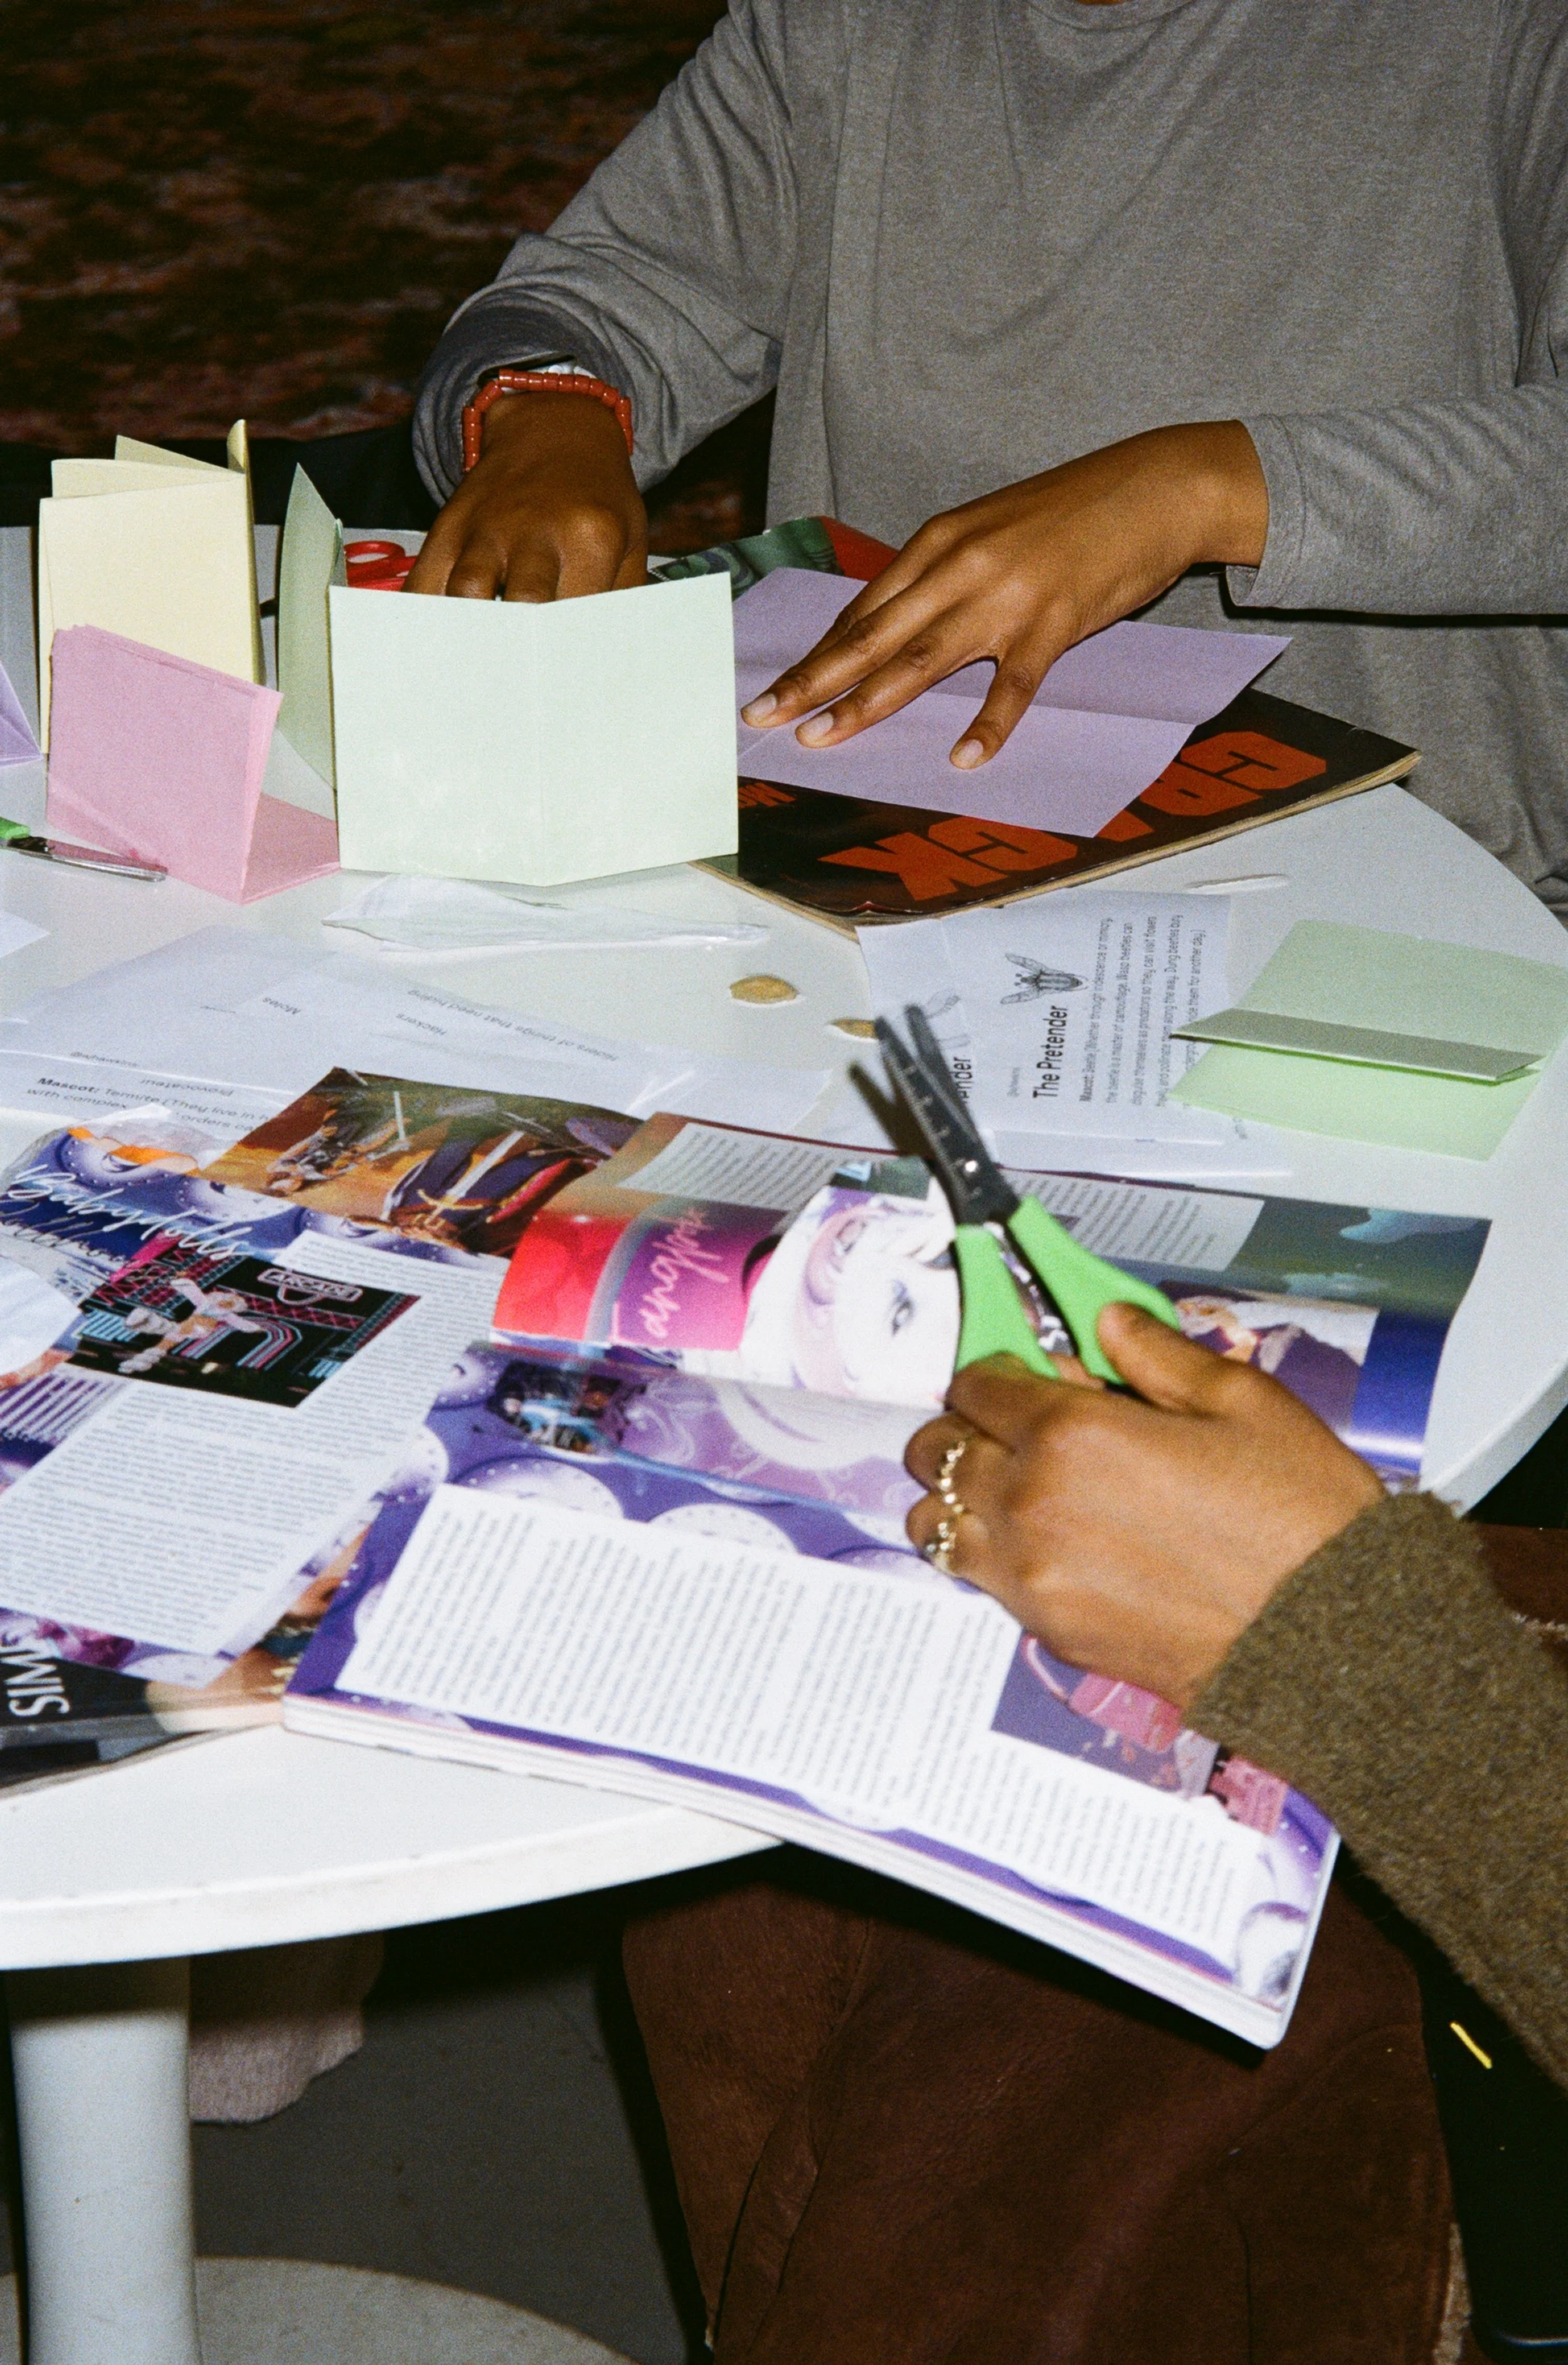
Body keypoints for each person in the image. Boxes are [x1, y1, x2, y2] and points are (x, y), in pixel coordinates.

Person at [406, 0, 1568, 913]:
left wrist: (1204, 490)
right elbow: (614, 288)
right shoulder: (840, 25)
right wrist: (544, 414)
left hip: (1397, 873)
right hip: (869, 848)